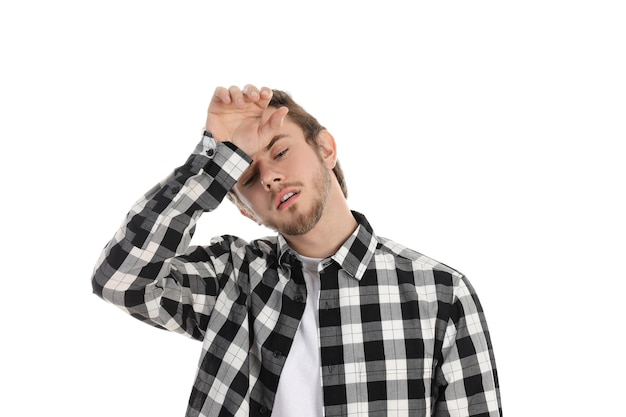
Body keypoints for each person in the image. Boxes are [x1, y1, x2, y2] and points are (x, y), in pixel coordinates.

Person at [91, 85, 502, 417]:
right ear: (244, 210)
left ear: (326, 147)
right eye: (248, 177)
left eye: (281, 152)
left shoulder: (440, 293)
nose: (269, 176)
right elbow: (120, 278)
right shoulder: (232, 277)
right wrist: (216, 162)